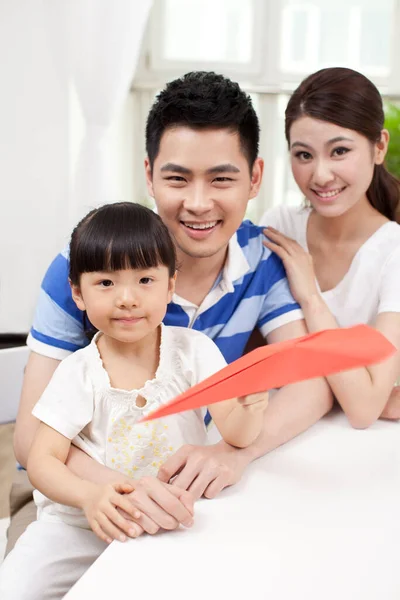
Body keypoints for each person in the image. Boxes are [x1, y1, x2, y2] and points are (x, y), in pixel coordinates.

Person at [7, 71, 333, 554]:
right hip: (72, 500)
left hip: (187, 492)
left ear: (255, 178)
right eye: (177, 178)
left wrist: (231, 453)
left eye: (221, 178)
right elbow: (29, 440)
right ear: (149, 175)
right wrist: (122, 491)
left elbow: (311, 382)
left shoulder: (262, 260)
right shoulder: (86, 266)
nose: (198, 204)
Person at [0, 202, 271, 599]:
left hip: (171, 518)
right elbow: (42, 461)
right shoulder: (78, 371)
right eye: (106, 283)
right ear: (78, 292)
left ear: (170, 286)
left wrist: (251, 407)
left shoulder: (195, 351)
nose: (127, 298)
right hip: (78, 526)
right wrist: (89, 496)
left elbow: (236, 433)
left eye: (145, 280)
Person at [261, 67, 400, 429]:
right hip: (282, 427)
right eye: (304, 155)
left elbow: (363, 409)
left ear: (379, 147)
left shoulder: (393, 253)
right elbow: (258, 358)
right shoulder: (280, 227)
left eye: (339, 151)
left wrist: (310, 297)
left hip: (357, 455)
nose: (320, 175)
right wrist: (353, 383)